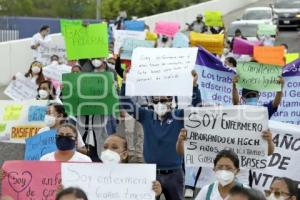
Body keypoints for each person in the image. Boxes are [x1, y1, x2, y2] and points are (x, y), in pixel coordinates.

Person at [120, 69, 202, 200]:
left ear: (172, 101)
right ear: (152, 102)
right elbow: (125, 103)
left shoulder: (179, 115)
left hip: (174, 173)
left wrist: (194, 86)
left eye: (164, 100)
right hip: (151, 173)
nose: (160, 103)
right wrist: (125, 82)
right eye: (157, 100)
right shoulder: (146, 115)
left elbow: (196, 110)